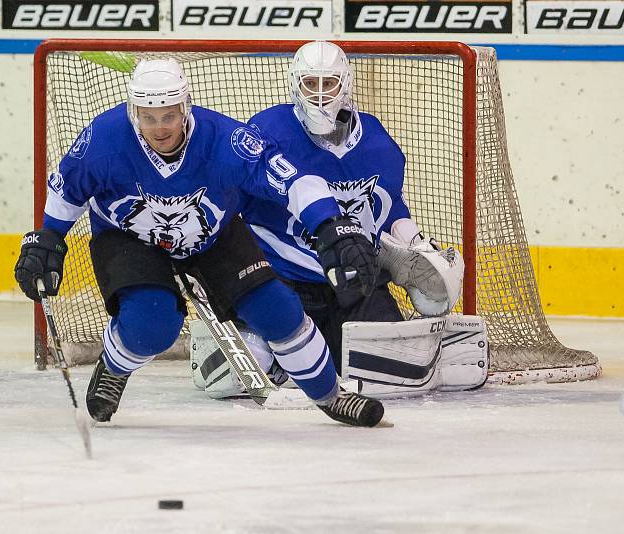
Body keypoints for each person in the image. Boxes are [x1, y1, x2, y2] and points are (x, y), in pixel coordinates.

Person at [13, 58, 387, 427]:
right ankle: (114, 366)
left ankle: (330, 395)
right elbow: (68, 188)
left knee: (278, 311)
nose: (159, 128)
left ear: (185, 107)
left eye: (169, 116)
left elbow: (295, 181)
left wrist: (329, 224)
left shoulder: (226, 140)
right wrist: (47, 238)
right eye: (148, 117)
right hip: (129, 237)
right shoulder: (104, 138)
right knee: (152, 324)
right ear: (133, 112)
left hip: (214, 235)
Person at [192, 41, 488, 400]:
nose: (319, 95)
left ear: (345, 83)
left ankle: (407, 345)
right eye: (310, 84)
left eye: (328, 83)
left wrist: (412, 241)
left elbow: (388, 205)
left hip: (354, 281)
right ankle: (261, 340)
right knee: (236, 374)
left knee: (391, 372)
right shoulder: (268, 132)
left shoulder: (376, 143)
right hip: (283, 281)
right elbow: (234, 197)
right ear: (294, 85)